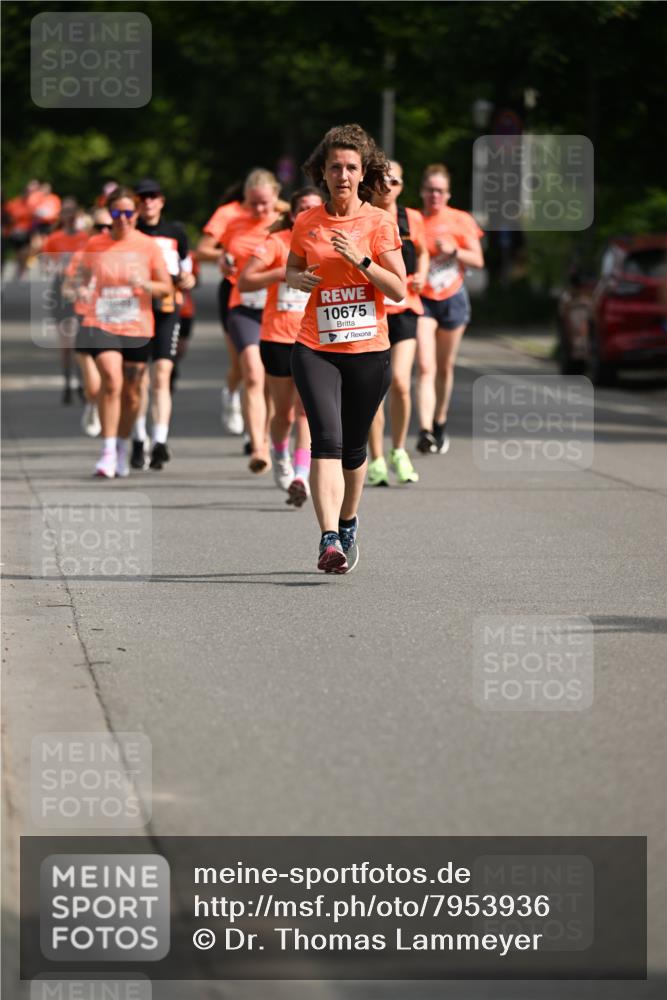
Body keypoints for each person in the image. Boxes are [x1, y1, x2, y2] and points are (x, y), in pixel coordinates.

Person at [286, 123, 406, 573]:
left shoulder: (379, 222)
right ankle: (328, 538)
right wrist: (297, 279)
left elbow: (398, 290)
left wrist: (362, 261)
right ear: (323, 172)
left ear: (362, 172)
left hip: (368, 351)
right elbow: (292, 270)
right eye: (334, 166)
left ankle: (349, 519)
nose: (342, 174)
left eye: (351, 167)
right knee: (327, 442)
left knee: (355, 450)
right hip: (315, 346)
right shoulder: (308, 221)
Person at [71, 186, 171, 478]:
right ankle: (107, 450)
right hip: (101, 322)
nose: (123, 218)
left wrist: (147, 284)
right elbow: (80, 278)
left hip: (137, 325)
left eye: (129, 212)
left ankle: (123, 446)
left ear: (136, 214)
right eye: (117, 212)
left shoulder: (147, 246)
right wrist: (80, 287)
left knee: (132, 394)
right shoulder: (95, 245)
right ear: (109, 213)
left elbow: (166, 287)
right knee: (111, 382)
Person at [238, 185, 323, 504]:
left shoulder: (327, 242)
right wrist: (282, 273)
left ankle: (301, 474)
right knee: (284, 412)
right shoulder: (276, 242)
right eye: (302, 208)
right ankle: (280, 456)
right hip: (276, 336)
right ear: (291, 214)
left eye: (313, 207)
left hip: (314, 337)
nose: (307, 213)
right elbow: (245, 281)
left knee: (305, 410)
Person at [367, 160, 428, 486]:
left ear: (402, 186)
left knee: (402, 382)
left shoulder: (411, 217)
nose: (388, 185)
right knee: (377, 388)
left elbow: (424, 251)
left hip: (405, 308)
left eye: (395, 181)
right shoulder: (364, 214)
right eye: (383, 179)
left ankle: (399, 450)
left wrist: (421, 277)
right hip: (372, 312)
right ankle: (376, 458)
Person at [416, 163, 484, 454]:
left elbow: (478, 260)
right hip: (423, 300)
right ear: (422, 192)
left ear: (448, 194)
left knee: (444, 367)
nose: (435, 196)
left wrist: (452, 250)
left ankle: (440, 420)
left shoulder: (460, 220)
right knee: (425, 365)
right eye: (430, 190)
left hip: (453, 297)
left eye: (440, 191)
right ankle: (425, 430)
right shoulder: (414, 220)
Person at [218, 169, 282, 473]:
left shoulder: (289, 221)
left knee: (273, 379)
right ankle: (258, 446)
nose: (259, 210)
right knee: (253, 374)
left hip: (280, 309)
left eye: (265, 204)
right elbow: (214, 251)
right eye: (254, 204)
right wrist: (223, 260)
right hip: (243, 306)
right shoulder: (233, 223)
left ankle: (268, 435)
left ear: (276, 197)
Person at [131, 178, 195, 470]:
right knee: (138, 378)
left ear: (161, 200)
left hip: (168, 307)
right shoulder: (130, 232)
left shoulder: (176, 233)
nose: (147, 202)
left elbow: (189, 273)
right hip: (134, 311)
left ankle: (160, 441)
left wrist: (186, 279)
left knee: (162, 374)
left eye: (152, 196)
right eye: (142, 197)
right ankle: (138, 439)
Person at [197, 182, 248, 435]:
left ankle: (257, 434)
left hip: (272, 293)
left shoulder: (277, 212)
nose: (262, 206)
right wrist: (224, 255)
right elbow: (202, 249)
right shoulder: (228, 213)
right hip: (234, 290)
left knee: (267, 366)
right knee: (242, 362)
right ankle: (231, 393)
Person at [41, 198, 90, 403]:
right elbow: (44, 266)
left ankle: (81, 382)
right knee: (66, 344)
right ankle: (67, 383)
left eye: (73, 213)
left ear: (77, 216)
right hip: (60, 292)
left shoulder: (86, 238)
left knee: (81, 341)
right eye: (66, 213)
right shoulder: (54, 238)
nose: (69, 217)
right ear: (61, 216)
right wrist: (57, 268)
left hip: (80, 291)